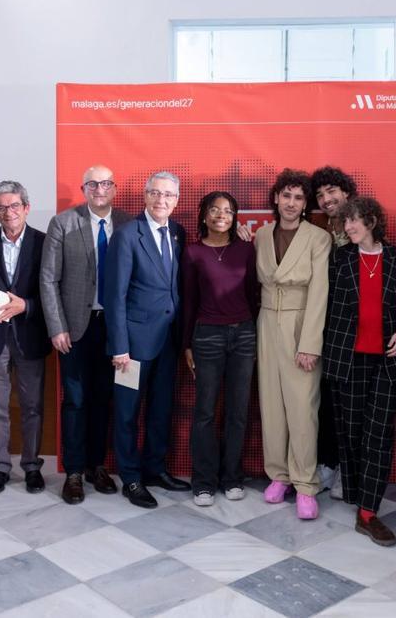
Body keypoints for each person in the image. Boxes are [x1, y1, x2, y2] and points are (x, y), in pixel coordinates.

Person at [323, 197, 396, 546]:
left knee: (379, 435)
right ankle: (359, 498)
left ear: (372, 221)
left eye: (354, 221)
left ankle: (368, 512)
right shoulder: (339, 259)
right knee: (352, 433)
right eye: (345, 222)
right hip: (348, 360)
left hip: (385, 362)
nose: (348, 227)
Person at [40, 164, 132, 504]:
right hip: (75, 328)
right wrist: (57, 326)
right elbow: (48, 278)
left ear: (114, 187)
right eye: (92, 184)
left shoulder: (127, 223)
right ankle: (75, 471)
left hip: (115, 328)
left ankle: (97, 465)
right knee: (76, 400)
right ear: (84, 189)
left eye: (106, 183)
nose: (99, 189)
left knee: (104, 399)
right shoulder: (63, 223)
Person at [105, 171, 191, 508]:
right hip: (132, 345)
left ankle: (155, 469)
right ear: (145, 196)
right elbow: (115, 295)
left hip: (167, 342)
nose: (161, 200)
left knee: (160, 409)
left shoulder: (178, 233)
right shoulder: (127, 235)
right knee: (127, 412)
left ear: (176, 201)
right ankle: (130, 477)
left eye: (168, 195)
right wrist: (119, 347)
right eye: (155, 193)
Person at [255, 169, 331, 519]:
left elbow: (320, 293)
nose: (291, 202)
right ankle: (278, 475)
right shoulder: (261, 235)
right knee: (271, 404)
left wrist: (310, 343)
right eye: (286, 195)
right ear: (276, 198)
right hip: (267, 321)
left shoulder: (319, 237)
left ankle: (304, 483)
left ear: (306, 204)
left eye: (299, 197)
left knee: (302, 407)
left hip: (302, 322)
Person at [182, 191, 260, 506]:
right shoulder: (192, 252)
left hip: (243, 336)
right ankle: (203, 482)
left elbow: (255, 294)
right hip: (206, 337)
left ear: (234, 217)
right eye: (214, 210)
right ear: (204, 216)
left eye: (227, 211)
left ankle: (232, 478)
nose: (220, 215)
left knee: (238, 412)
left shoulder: (246, 250)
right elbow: (188, 301)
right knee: (204, 412)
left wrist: (253, 333)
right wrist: (186, 343)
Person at [0, 181, 51, 496]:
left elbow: (52, 289)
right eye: (2, 207)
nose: (9, 212)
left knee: (33, 406)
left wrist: (27, 306)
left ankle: (32, 466)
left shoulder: (45, 242)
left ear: (26, 208)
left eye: (14, 206)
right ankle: (1, 467)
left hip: (30, 336)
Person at [310, 165, 357, 493]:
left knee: (351, 404)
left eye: (332, 192)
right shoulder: (320, 231)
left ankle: (349, 470)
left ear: (347, 193)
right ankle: (327, 464)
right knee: (325, 401)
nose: (326, 199)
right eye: (320, 194)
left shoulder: (363, 228)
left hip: (357, 332)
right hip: (325, 328)